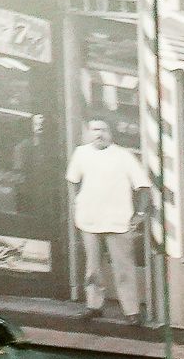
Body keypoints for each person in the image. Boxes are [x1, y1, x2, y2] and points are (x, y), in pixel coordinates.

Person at [64, 116, 152, 321]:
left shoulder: (123, 156)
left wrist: (139, 214)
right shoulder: (81, 153)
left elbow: (143, 186)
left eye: (103, 129)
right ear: (88, 133)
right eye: (94, 129)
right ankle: (94, 305)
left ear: (110, 133)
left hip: (118, 221)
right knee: (93, 267)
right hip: (89, 219)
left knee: (124, 268)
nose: (98, 134)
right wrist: (76, 203)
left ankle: (132, 311)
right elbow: (72, 180)